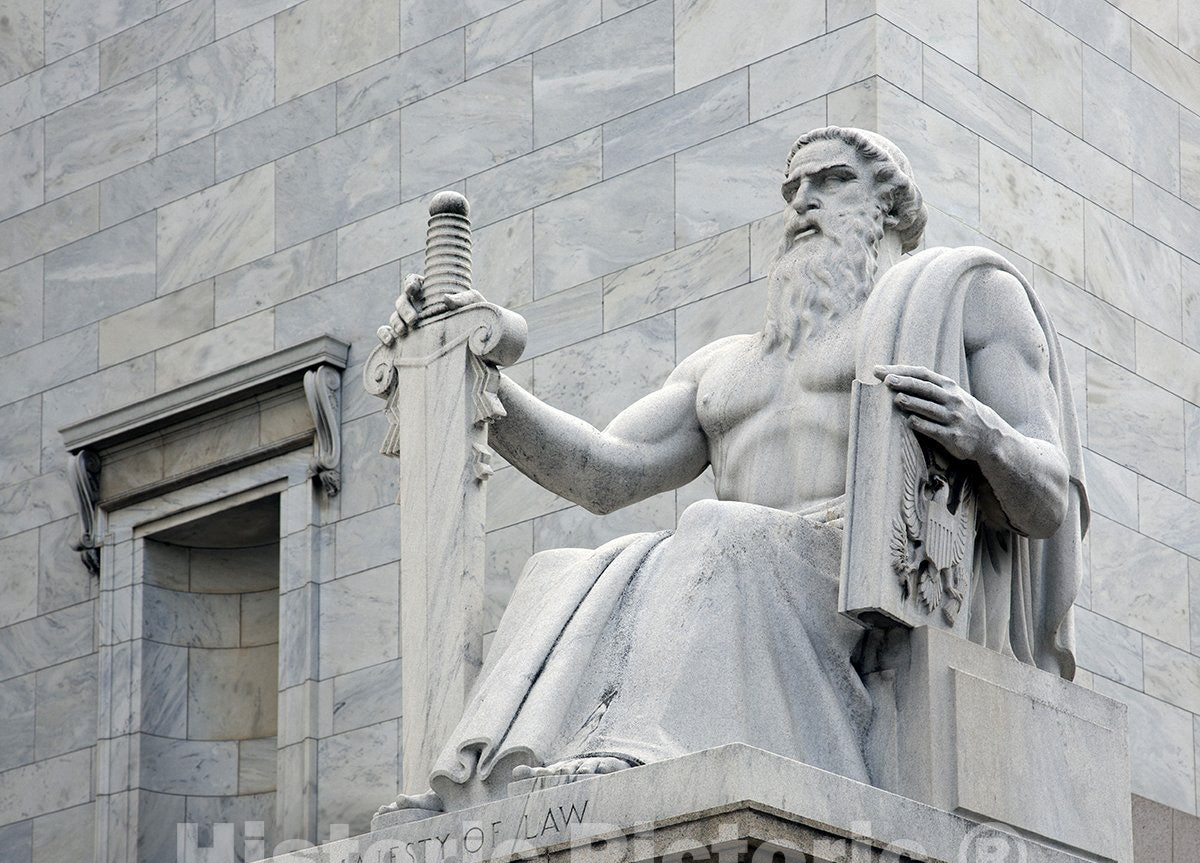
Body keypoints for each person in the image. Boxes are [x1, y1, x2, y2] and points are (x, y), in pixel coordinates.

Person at [376, 127, 1087, 819]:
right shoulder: (727, 366)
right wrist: (475, 375)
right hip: (747, 575)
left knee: (717, 529)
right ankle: (478, 784)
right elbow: (602, 471)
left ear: (892, 209)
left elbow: (1048, 495)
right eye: (794, 187)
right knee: (565, 566)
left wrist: (983, 434)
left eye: (834, 180)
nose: (804, 201)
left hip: (866, 584)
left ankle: (644, 747)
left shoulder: (967, 298)